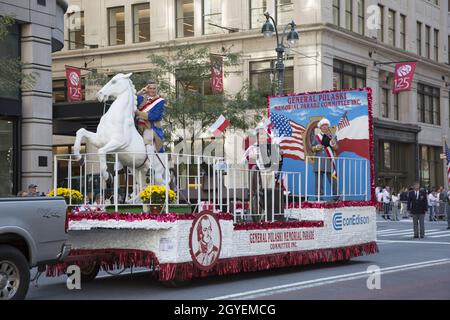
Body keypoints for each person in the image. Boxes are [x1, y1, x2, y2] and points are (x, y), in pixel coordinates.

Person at [134, 80, 165, 154]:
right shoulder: (140, 98)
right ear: (147, 89)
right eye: (150, 88)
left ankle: (150, 163)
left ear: (156, 89)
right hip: (137, 126)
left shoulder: (160, 101)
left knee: (148, 138)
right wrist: (140, 92)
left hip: (151, 127)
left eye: (154, 88)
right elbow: (130, 99)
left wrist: (138, 113)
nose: (152, 90)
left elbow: (154, 116)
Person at [311, 118, 338, 201]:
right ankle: (319, 197)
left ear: (328, 126)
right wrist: (316, 147)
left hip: (329, 161)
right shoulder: (316, 137)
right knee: (319, 181)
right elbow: (312, 148)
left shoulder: (333, 136)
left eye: (326, 125)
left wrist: (333, 145)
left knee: (333, 180)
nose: (324, 127)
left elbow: (336, 148)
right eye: (323, 125)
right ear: (320, 127)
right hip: (318, 161)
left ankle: (336, 196)